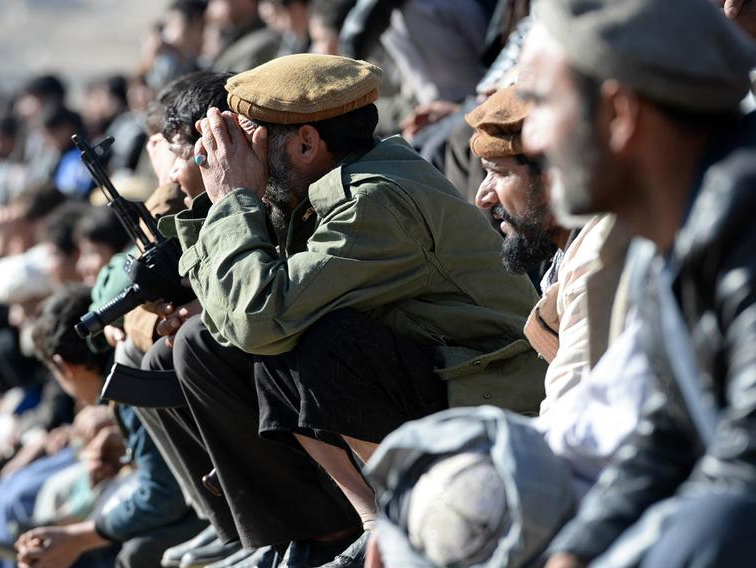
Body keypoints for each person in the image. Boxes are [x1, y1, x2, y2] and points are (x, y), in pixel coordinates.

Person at [153, 53, 544, 567]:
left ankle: (384, 517)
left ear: (306, 142)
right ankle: (315, 533)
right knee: (205, 344)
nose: (237, 150)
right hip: (434, 371)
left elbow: (257, 318)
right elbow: (228, 322)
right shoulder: (321, 184)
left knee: (314, 338)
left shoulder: (377, 201)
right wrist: (209, 203)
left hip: (493, 391)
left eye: (250, 135)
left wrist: (230, 203)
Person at [513, 0, 756, 566]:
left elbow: (745, 470)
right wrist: (575, 552)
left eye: (542, 104)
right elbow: (668, 435)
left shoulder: (744, 225)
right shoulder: (665, 244)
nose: (529, 140)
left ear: (620, 112)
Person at [363, 85, 644, 568]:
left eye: (497, 173)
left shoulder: (599, 262)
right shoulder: (573, 250)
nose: (481, 196)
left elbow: (571, 431)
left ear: (556, 176)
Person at [16, 285, 202, 568]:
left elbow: (164, 496)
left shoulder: (125, 381)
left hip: (223, 510)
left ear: (63, 366)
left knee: (135, 553)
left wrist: (78, 537)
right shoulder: (121, 380)